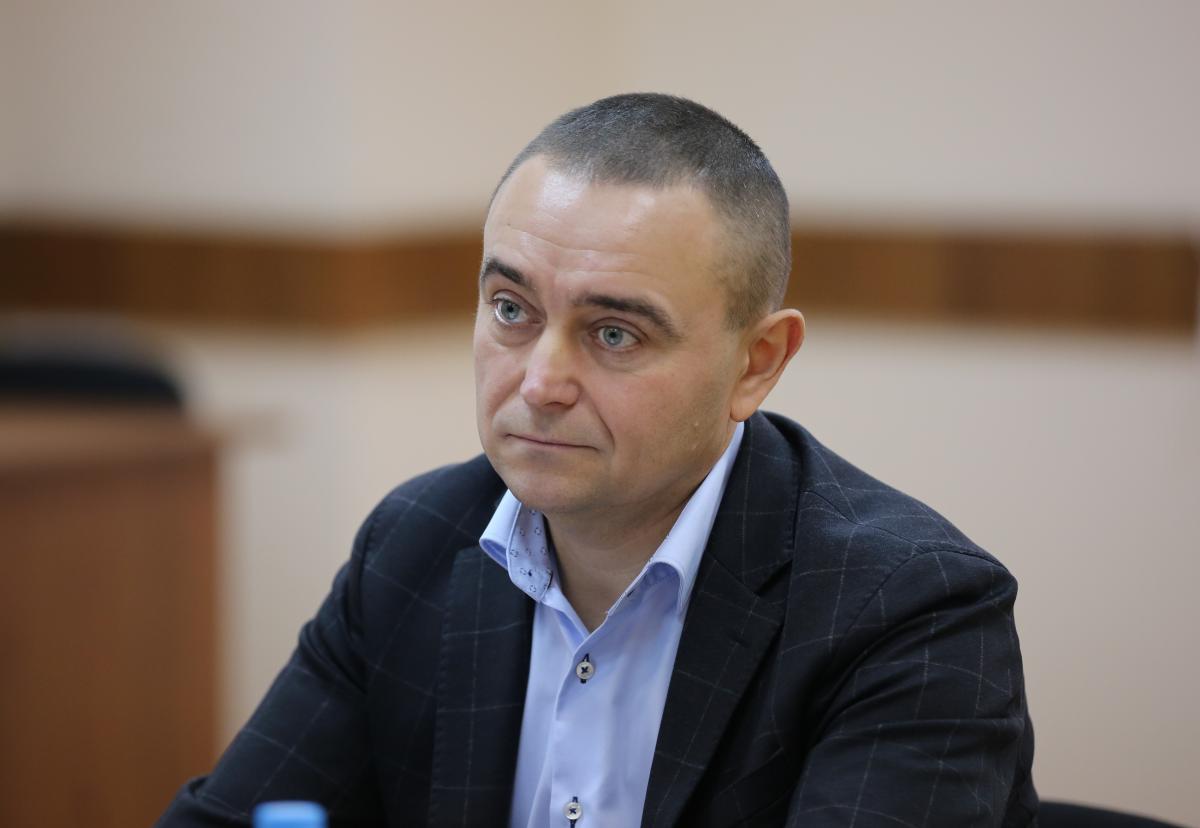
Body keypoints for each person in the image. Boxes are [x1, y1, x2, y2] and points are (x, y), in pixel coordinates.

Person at [158, 93, 1037, 827]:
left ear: (756, 363)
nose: (541, 383)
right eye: (512, 309)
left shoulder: (908, 612)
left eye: (614, 333)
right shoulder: (416, 545)